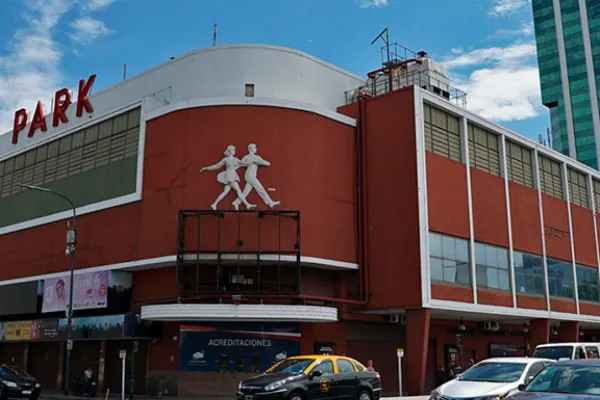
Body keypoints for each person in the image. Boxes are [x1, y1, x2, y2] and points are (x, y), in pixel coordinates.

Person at [200, 145, 256, 211]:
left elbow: (243, 164)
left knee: (225, 192)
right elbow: (216, 166)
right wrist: (206, 168)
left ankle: (214, 204)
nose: (234, 151)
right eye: (233, 150)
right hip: (230, 176)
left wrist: (251, 161)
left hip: (231, 176)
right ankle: (247, 205)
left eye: (234, 150)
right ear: (229, 151)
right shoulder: (226, 159)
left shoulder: (236, 159)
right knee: (238, 191)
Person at [232, 143, 280, 210]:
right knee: (260, 188)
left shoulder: (257, 157)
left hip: (252, 175)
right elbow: (241, 164)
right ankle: (270, 202)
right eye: (255, 148)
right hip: (249, 175)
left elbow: (267, 163)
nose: (256, 149)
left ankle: (236, 202)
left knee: (246, 192)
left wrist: (258, 162)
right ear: (251, 149)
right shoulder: (246, 157)